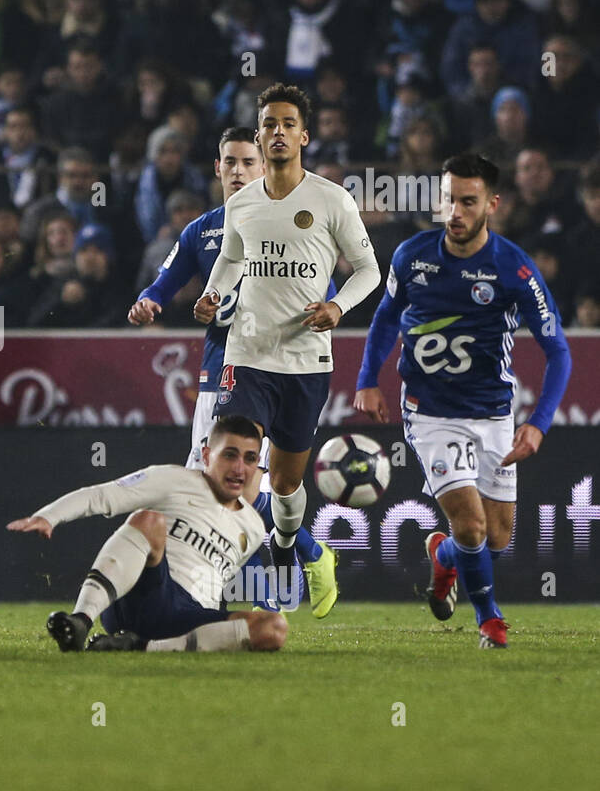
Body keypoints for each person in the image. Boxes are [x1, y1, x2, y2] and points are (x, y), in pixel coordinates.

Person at [354, 153, 572, 649]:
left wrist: (537, 423)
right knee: (471, 525)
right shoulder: (412, 256)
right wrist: (368, 378)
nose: (454, 211)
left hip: (494, 412)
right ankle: (489, 621)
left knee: (496, 537)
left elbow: (558, 351)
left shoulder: (514, 269)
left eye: (467, 202)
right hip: (430, 414)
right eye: (448, 199)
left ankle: (444, 557)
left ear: (491, 205)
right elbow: (387, 318)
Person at [131, 126, 338, 615]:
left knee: (225, 486)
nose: (239, 171)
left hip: (274, 371)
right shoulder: (202, 230)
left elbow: (322, 293)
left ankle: (273, 584)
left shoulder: (298, 224)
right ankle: (288, 573)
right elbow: (165, 282)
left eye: (249, 162)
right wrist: (147, 302)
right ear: (217, 169)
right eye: (231, 162)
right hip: (217, 371)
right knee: (213, 488)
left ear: (266, 167)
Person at [194, 83, 380, 575]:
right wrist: (213, 294)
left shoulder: (332, 199)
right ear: (258, 137)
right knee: (238, 454)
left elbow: (368, 270)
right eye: (270, 125)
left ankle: (285, 542)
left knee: (284, 481)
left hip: (305, 360)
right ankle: (215, 562)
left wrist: (338, 308)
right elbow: (232, 258)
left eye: (288, 125)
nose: (278, 132)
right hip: (247, 355)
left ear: (304, 137)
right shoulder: (242, 203)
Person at [10, 416, 287, 654]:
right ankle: (81, 621)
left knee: (273, 627)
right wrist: (50, 516)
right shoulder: (175, 479)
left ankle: (140, 645)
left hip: (188, 617)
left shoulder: (252, 527)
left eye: (250, 459)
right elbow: (105, 495)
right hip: (145, 596)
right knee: (149, 520)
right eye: (230, 454)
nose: (240, 468)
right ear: (206, 456)